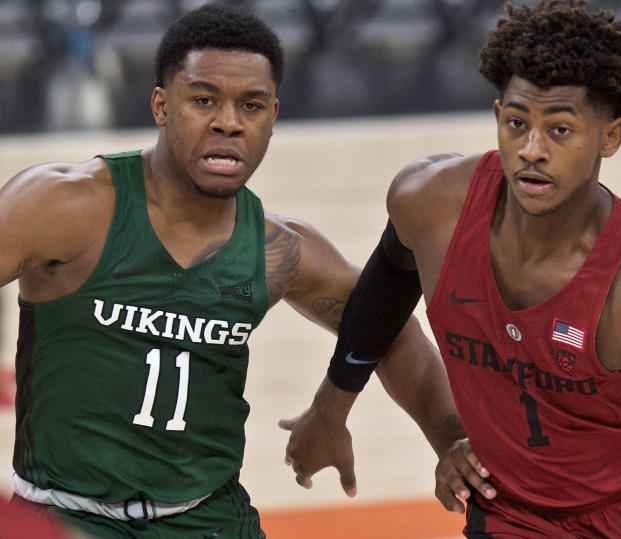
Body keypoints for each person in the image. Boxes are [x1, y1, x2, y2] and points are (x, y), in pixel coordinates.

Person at [284, 1, 621, 537]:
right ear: (498, 117)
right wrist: (332, 408)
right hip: (518, 512)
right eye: (518, 123)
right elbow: (388, 287)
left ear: (609, 137)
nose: (532, 150)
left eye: (560, 130)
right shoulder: (429, 204)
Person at [0, 4, 466, 538]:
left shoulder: (281, 248)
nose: (228, 121)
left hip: (210, 519)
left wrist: (445, 441)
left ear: (273, 115)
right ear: (160, 105)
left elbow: (390, 329)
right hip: (64, 517)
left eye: (252, 105)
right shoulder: (63, 203)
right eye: (204, 100)